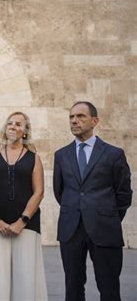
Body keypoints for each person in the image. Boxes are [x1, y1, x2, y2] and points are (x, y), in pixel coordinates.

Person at [53, 101, 132, 301]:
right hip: (71, 229)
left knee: (109, 288)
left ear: (95, 121)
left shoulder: (114, 154)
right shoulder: (61, 155)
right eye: (71, 117)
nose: (74, 121)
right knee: (73, 287)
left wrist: (108, 216)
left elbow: (123, 194)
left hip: (105, 228)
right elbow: (59, 191)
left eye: (80, 116)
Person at [0, 111, 48, 301]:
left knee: (25, 275)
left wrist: (22, 221)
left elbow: (39, 192)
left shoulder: (34, 158)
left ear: (25, 132)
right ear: (4, 128)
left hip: (27, 226)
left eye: (19, 124)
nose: (13, 126)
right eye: (10, 123)